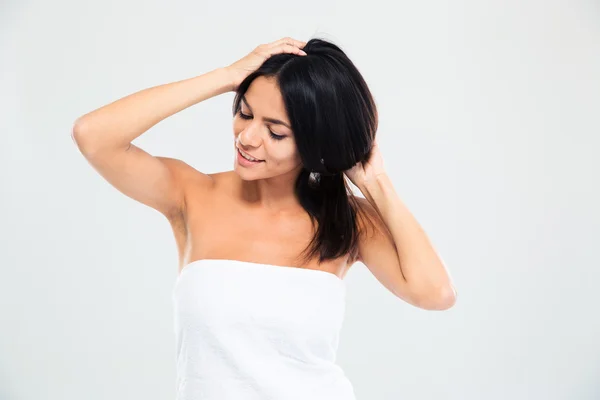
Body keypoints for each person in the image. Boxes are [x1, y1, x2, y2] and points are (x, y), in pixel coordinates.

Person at [72, 36, 456, 400]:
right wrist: (226, 76)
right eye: (244, 113)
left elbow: (435, 293)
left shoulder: (347, 220)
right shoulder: (191, 194)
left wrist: (377, 183)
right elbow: (93, 135)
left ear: (314, 145)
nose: (248, 138)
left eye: (275, 132)